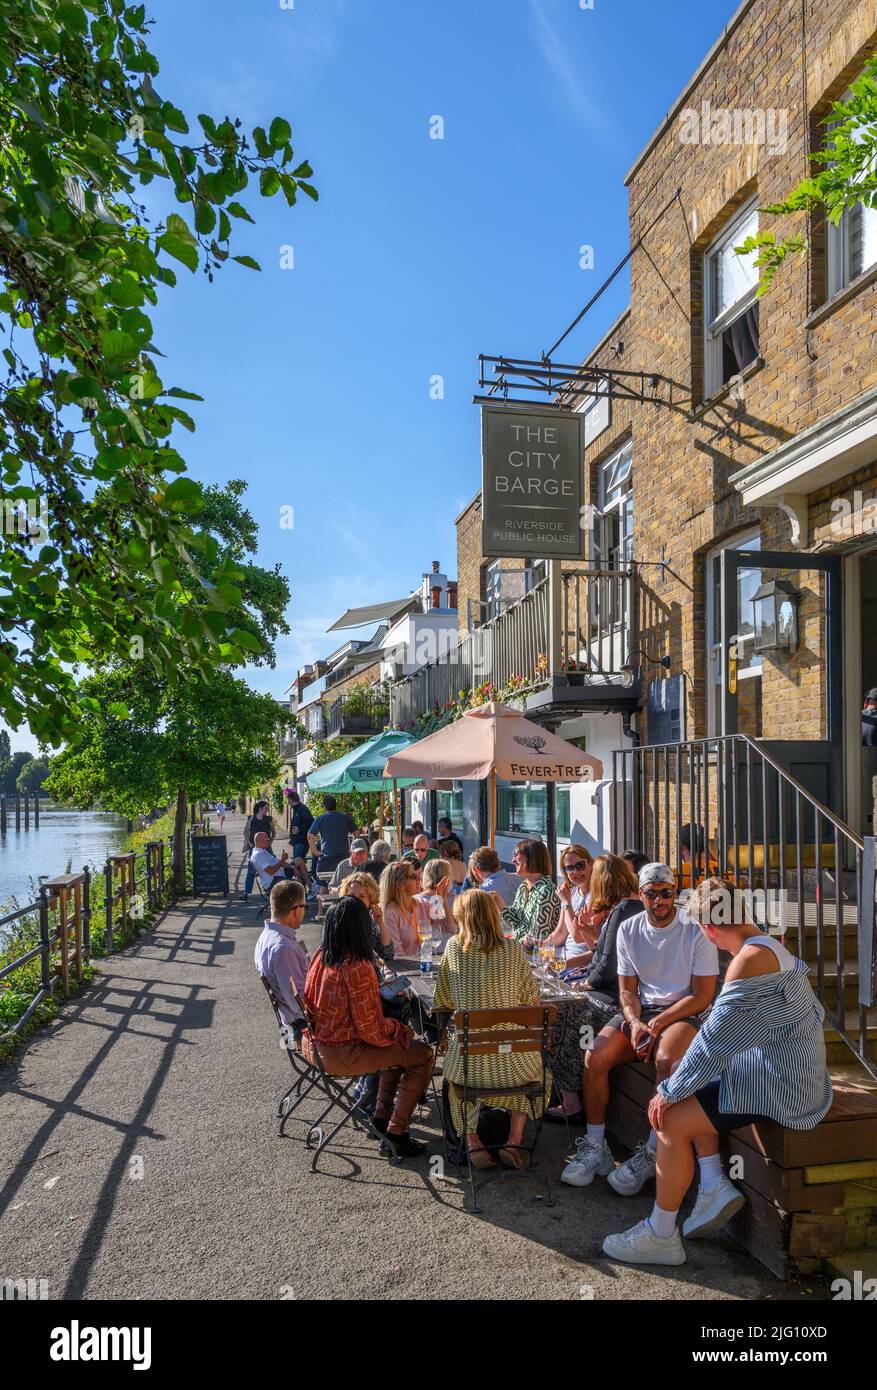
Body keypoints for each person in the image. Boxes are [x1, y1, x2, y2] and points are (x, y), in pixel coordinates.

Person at [603, 878, 833, 1265]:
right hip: (791, 1074)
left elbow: (714, 1042)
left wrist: (669, 1091)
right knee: (685, 1075)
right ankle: (711, 1186)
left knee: (670, 1117)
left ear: (708, 928)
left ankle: (661, 1235)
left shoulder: (747, 962)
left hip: (784, 1088)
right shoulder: (769, 946)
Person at [561, 861, 719, 1193]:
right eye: (651, 894)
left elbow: (702, 996)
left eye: (666, 893)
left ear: (675, 893)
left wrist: (656, 1023)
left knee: (666, 1061)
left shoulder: (694, 929)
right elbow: (627, 991)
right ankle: (595, 1146)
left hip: (683, 1013)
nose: (659, 900)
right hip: (642, 1011)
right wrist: (634, 1022)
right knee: (594, 1057)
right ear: (641, 894)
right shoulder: (629, 928)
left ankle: (651, 1152)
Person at [302, 896, 434, 1159]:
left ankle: (381, 1120)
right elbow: (371, 1031)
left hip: (317, 1045)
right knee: (422, 1055)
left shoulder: (322, 955)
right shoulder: (357, 967)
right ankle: (395, 1132)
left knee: (399, 1050)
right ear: (360, 927)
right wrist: (401, 1029)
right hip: (343, 1053)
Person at [433, 889, 549, 1170]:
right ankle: (514, 1140)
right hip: (515, 1067)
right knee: (540, 1072)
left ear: (463, 917)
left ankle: (473, 1143)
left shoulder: (453, 948)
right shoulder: (512, 949)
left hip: (468, 1068)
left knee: (458, 1075)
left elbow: (443, 1001)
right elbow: (532, 1003)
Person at [544, 854, 641, 1124]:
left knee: (566, 1011)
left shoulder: (623, 910)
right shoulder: (624, 908)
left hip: (616, 996)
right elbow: (602, 951)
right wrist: (588, 930)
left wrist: (585, 983)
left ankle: (571, 1100)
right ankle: (559, 1091)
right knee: (558, 1006)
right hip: (614, 989)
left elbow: (608, 967)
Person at [254, 879, 309, 1035]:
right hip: (303, 1023)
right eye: (305, 906)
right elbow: (300, 1003)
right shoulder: (284, 949)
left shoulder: (266, 937)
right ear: (296, 909)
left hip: (290, 1017)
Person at [498, 839, 561, 946]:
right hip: (521, 951)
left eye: (516, 854)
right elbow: (515, 921)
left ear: (532, 857)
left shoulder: (546, 891)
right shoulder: (523, 887)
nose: (513, 860)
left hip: (538, 957)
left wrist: (512, 938)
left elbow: (536, 938)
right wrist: (497, 900)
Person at [557, 844, 599, 963]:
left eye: (580, 865)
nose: (576, 872)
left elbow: (577, 936)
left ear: (590, 863)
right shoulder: (570, 893)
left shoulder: (597, 895)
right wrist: (539, 944)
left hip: (580, 963)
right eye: (570, 868)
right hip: (563, 955)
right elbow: (560, 933)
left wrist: (566, 903)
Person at [339, 871, 394, 961]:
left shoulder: (369, 922)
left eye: (361, 896)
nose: (355, 899)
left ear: (370, 900)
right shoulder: (339, 918)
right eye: (351, 895)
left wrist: (380, 923)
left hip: (365, 971)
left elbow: (388, 954)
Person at [380, 860, 430, 956]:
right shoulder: (390, 912)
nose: (419, 879)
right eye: (414, 877)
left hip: (421, 964)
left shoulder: (421, 904)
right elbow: (397, 953)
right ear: (400, 884)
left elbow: (450, 928)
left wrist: (441, 897)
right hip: (399, 969)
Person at [307, 795, 356, 881]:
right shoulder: (346, 817)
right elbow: (356, 833)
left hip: (326, 858)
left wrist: (316, 852)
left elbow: (310, 836)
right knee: (345, 883)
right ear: (335, 805)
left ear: (324, 807)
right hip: (344, 858)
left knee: (324, 886)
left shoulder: (320, 818)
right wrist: (352, 849)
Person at [241, 799, 275, 900]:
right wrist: (250, 842)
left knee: (272, 866)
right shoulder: (251, 819)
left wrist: (270, 842)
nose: (267, 811)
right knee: (251, 870)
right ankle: (246, 893)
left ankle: (273, 890)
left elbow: (274, 832)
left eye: (267, 809)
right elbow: (245, 832)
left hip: (267, 848)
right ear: (260, 808)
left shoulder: (268, 819)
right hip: (254, 848)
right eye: (265, 808)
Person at [415, 857, 456, 933]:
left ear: (426, 875)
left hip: (427, 943)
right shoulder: (456, 899)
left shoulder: (418, 899)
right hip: (450, 943)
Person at [288, 790, 314, 862]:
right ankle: (302, 873)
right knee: (299, 862)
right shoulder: (296, 809)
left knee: (298, 862)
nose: (288, 803)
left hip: (301, 842)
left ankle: (302, 873)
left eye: (288, 800)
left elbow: (310, 820)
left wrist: (299, 829)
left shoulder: (302, 808)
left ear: (291, 800)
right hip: (297, 841)